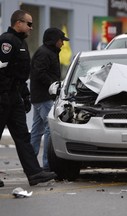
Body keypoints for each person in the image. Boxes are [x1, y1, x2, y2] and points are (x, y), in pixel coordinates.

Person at [0, 10, 57, 187]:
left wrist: (24, 95)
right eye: (29, 24)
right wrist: (3, 94)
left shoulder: (20, 42)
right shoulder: (7, 41)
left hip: (14, 96)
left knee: (23, 136)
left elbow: (20, 74)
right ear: (18, 23)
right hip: (3, 96)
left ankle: (34, 173)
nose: (31, 28)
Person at [30, 28, 69, 170]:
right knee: (49, 129)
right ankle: (47, 164)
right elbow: (40, 73)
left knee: (37, 129)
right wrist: (54, 86)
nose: (62, 44)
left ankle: (31, 163)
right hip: (44, 97)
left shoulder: (48, 52)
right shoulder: (45, 53)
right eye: (61, 41)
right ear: (54, 41)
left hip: (40, 97)